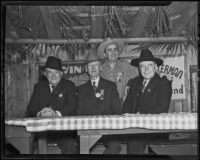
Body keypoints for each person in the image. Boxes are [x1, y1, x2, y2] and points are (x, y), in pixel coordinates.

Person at [123, 49, 172, 154]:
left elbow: (162, 107)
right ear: (139, 69)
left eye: (149, 65)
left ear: (155, 67)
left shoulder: (163, 82)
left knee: (134, 143)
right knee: (133, 142)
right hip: (136, 129)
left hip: (156, 129)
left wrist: (138, 114)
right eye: (142, 66)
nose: (146, 69)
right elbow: (126, 105)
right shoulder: (135, 83)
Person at [26, 56, 77, 154]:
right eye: (50, 72)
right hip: (43, 131)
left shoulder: (69, 86)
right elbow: (31, 107)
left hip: (63, 131)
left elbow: (72, 104)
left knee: (69, 144)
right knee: (30, 146)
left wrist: (56, 114)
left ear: (61, 74)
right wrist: (40, 113)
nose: (53, 76)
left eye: (56, 72)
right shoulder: (39, 87)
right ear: (45, 74)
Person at [76, 48, 122, 154]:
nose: (93, 68)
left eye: (95, 65)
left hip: (108, 129)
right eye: (90, 66)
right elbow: (79, 112)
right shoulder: (82, 90)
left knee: (114, 146)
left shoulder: (110, 86)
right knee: (81, 148)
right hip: (88, 129)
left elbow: (117, 111)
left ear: (100, 67)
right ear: (86, 69)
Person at [97, 38, 138, 103]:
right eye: (109, 50)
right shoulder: (99, 68)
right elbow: (85, 78)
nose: (113, 52)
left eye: (115, 49)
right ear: (104, 54)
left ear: (118, 52)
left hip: (120, 104)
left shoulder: (126, 66)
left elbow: (143, 71)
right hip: (103, 104)